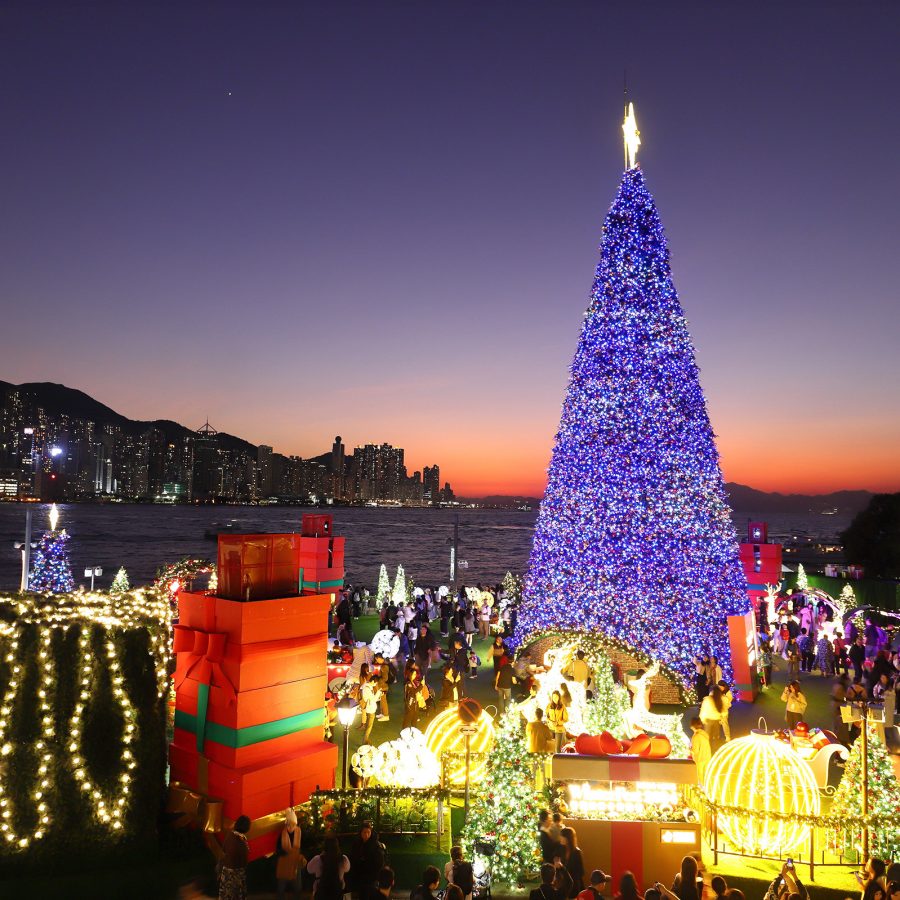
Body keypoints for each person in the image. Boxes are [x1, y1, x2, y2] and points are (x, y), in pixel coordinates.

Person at [307, 835, 350, 900]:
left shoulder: (318, 859)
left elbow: (309, 869)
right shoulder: (343, 859)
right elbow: (347, 869)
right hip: (337, 890)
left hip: (321, 891)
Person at [219, 815, 251, 900]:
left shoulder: (230, 835)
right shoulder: (241, 841)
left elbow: (224, 848)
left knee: (226, 895)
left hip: (226, 871)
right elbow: (244, 860)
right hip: (236, 873)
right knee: (236, 895)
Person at [350, 821, 384, 898]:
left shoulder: (375, 845)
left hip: (371, 878)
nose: (366, 834)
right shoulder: (357, 844)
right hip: (360, 877)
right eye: (364, 832)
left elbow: (379, 862)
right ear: (361, 833)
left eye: (368, 832)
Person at [275, 808, 304, 899]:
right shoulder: (282, 835)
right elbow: (278, 850)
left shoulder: (299, 833)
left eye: (292, 825)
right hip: (284, 864)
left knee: (297, 888)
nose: (290, 827)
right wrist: (283, 852)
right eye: (288, 825)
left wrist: (301, 857)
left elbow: (304, 847)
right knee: (281, 889)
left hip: (295, 864)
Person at [558, 826, 585, 897]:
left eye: (561, 836)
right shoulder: (562, 849)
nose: (560, 838)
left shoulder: (577, 852)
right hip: (564, 884)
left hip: (574, 885)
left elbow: (581, 872)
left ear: (567, 838)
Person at [699, 685, 726, 752]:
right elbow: (724, 712)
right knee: (716, 737)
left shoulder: (707, 699)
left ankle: (707, 751)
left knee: (707, 737)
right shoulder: (720, 700)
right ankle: (715, 751)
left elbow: (703, 710)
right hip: (716, 721)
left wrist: (702, 719)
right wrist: (721, 718)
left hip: (708, 721)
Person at [689, 717, 711, 785]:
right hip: (707, 757)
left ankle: (701, 791)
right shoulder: (704, 734)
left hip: (700, 759)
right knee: (706, 776)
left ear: (693, 726)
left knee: (700, 777)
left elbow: (695, 751)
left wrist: (689, 749)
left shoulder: (696, 736)